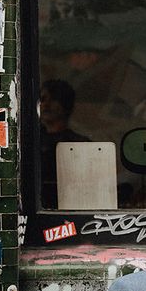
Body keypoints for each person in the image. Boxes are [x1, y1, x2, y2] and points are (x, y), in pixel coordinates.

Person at [39, 79, 89, 208]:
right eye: (43, 99)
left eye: (53, 99)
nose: (46, 105)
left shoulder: (80, 144)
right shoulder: (32, 142)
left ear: (65, 104)